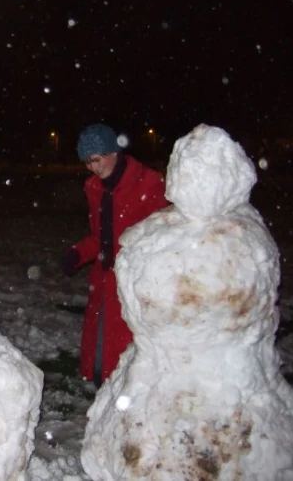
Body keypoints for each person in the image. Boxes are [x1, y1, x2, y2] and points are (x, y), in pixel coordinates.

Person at [61, 123, 168, 387]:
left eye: (96, 160)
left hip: (136, 277)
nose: (93, 168)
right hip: (105, 276)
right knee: (100, 346)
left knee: (128, 348)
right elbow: (101, 237)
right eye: (87, 162)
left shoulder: (148, 183)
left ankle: (126, 389)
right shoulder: (94, 188)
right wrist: (78, 253)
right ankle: (101, 383)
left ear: (113, 152)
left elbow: (164, 232)